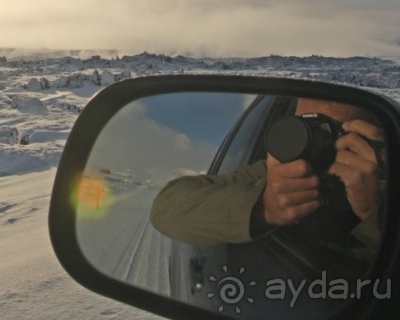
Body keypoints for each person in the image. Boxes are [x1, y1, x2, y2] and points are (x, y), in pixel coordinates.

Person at [149, 98, 385, 253]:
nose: (314, 141)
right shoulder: (274, 172)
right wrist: (263, 207)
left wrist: (373, 213)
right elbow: (165, 209)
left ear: (370, 137)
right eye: (304, 128)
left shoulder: (383, 181)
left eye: (332, 130)